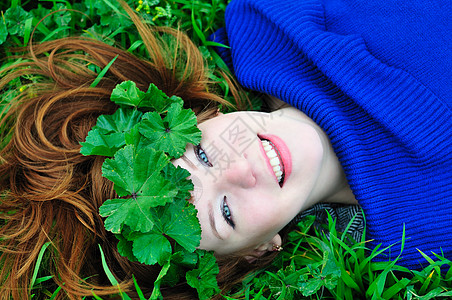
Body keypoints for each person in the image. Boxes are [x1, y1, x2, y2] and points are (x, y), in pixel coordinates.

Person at [0, 0, 450, 299]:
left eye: (201, 155)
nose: (240, 169)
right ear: (260, 250)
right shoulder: (423, 235)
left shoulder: (267, 24)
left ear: (193, 117)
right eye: (226, 214)